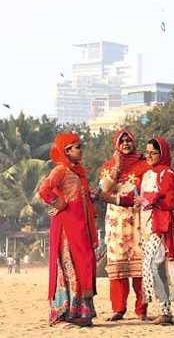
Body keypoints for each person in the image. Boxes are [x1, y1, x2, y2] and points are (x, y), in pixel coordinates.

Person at [38, 132, 97, 326]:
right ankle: (69, 310)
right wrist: (58, 203)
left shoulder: (79, 171)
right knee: (70, 265)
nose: (81, 150)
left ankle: (83, 312)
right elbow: (44, 190)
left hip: (82, 225)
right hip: (67, 227)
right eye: (77, 147)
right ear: (67, 150)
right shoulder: (60, 170)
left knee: (85, 263)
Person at [96, 129, 150, 322]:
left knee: (140, 268)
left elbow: (148, 189)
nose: (126, 144)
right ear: (116, 144)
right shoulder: (109, 165)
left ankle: (141, 310)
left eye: (129, 140)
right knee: (118, 268)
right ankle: (118, 309)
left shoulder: (144, 164)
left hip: (137, 221)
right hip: (116, 223)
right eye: (122, 141)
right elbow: (103, 190)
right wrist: (117, 167)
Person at [135, 137, 174, 324]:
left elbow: (171, 201)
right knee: (153, 267)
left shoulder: (168, 173)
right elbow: (138, 200)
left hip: (162, 227)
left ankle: (165, 310)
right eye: (146, 152)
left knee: (153, 266)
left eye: (153, 152)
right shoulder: (147, 174)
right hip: (148, 227)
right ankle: (165, 310)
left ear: (162, 153)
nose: (148, 156)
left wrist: (150, 199)